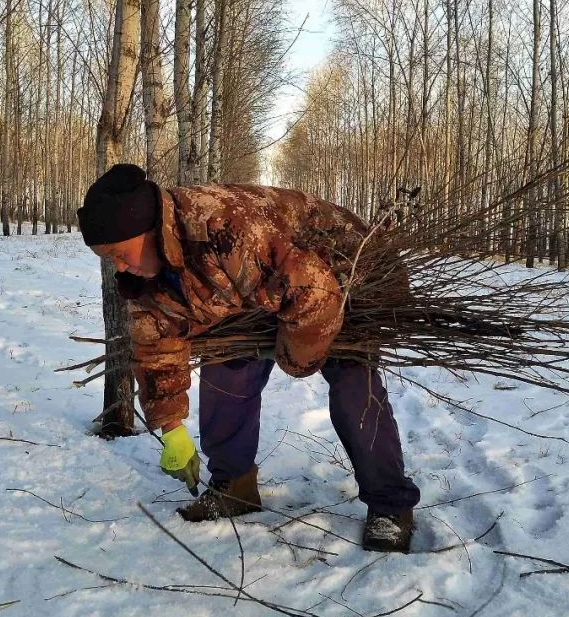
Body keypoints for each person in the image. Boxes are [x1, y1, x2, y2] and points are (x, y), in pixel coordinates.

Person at [77, 163, 420, 553]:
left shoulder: (223, 226)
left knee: (352, 384)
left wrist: (292, 360)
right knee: (226, 364)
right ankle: (234, 486)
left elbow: (315, 292)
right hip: (261, 292)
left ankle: (390, 505)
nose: (120, 266)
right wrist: (171, 426)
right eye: (109, 260)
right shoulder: (147, 278)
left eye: (120, 254)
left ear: (147, 229)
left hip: (349, 274)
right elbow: (155, 347)